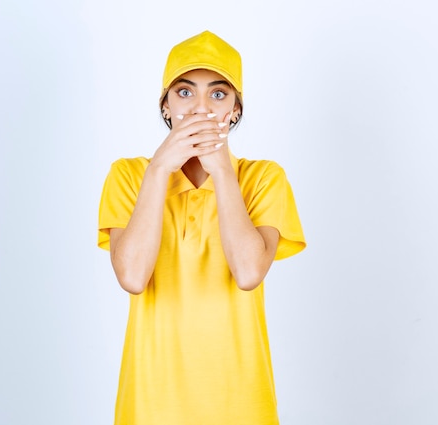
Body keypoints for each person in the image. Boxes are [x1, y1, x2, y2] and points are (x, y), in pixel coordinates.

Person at [98, 30, 306, 425]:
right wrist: (160, 169)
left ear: (235, 110)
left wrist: (222, 171)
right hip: (150, 402)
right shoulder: (129, 176)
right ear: (166, 107)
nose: (199, 108)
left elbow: (248, 273)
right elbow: (132, 276)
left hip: (241, 401)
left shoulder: (263, 178)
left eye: (217, 93)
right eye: (184, 92)